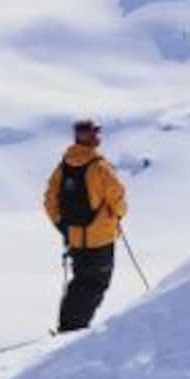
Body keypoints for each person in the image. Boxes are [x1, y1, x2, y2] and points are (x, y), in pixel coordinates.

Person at [44, 119, 127, 333]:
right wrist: (117, 217)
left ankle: (67, 326)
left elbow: (49, 201)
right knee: (95, 284)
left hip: (75, 239)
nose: (98, 135)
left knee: (80, 283)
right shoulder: (99, 167)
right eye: (95, 132)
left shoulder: (64, 166)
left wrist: (63, 226)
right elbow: (117, 198)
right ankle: (74, 331)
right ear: (90, 137)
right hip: (100, 239)